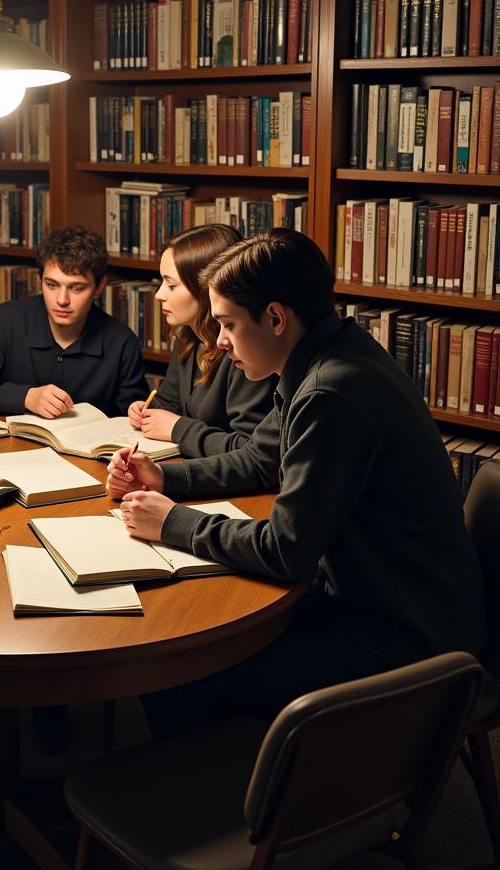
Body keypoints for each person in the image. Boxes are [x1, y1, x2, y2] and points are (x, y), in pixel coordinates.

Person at [107, 227, 486, 736]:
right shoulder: (327, 354)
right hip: (382, 596)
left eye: (227, 324)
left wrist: (172, 522)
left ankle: (230, 805)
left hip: (399, 637)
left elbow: (286, 552)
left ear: (276, 318)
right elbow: (262, 462)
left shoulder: (331, 392)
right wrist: (165, 477)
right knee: (204, 624)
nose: (219, 341)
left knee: (176, 671)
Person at [0, 225, 148, 418]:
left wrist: (138, 413)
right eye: (51, 285)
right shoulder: (4, 320)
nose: (62, 300)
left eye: (76, 288)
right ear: (39, 281)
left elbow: (130, 415)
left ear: (99, 288)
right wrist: (26, 397)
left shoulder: (122, 342)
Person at [127, 224, 275, 456]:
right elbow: (168, 405)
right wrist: (145, 412)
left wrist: (178, 428)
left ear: (207, 288)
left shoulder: (246, 351)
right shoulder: (189, 338)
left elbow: (249, 449)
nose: (158, 295)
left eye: (171, 285)